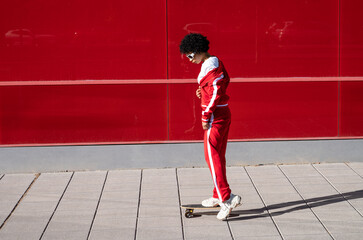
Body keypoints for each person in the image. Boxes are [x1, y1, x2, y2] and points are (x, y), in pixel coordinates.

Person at [179, 33, 241, 220]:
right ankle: (217, 195)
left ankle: (227, 198)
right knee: (218, 156)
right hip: (222, 114)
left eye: (190, 55)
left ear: (198, 51)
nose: (190, 60)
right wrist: (202, 91)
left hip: (215, 117)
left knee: (211, 157)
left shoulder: (211, 67)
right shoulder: (214, 62)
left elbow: (215, 92)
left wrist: (205, 115)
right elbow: (218, 87)